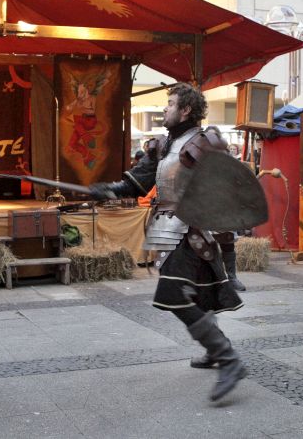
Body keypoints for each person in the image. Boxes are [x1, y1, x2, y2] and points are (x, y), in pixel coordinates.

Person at [89, 83, 246, 402]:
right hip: (168, 229)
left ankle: (228, 358)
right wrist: (108, 190)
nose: (165, 108)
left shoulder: (205, 143)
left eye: (171, 103)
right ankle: (216, 352)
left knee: (173, 294)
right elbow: (136, 182)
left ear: (186, 110)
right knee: (199, 296)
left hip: (195, 231)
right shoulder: (163, 145)